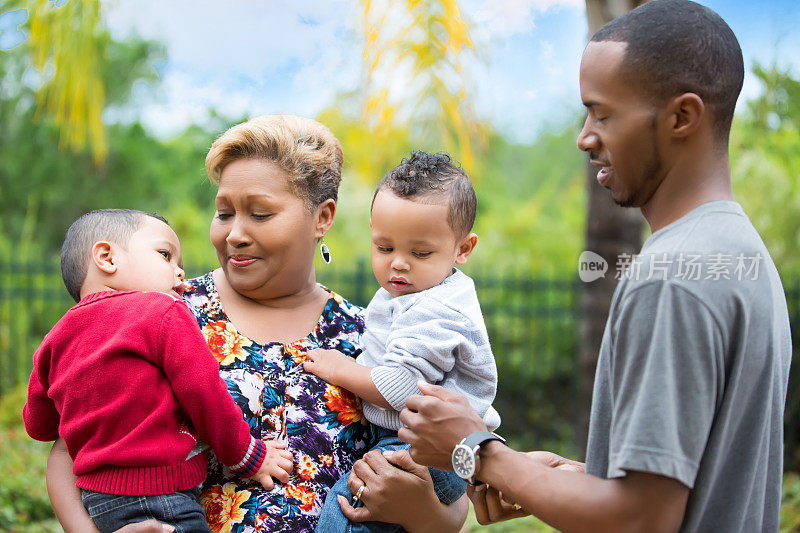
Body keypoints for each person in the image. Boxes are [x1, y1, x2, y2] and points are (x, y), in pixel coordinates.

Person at [396, 1, 792, 532]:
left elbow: (642, 519)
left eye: (603, 113)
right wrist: (570, 479)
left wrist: (479, 452)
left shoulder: (671, 278)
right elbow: (696, 485)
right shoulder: (740, 253)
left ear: (682, 117)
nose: (585, 136)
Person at [45, 115, 469, 533]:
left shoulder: (370, 336)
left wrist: (421, 511)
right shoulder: (157, 313)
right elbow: (70, 450)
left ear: (323, 217)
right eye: (224, 213)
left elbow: (449, 491)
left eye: (260, 215)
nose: (235, 234)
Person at [23, 209, 292, 533]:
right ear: (107, 257)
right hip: (162, 496)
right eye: (165, 255)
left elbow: (39, 426)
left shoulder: (55, 340)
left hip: (95, 503)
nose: (179, 272)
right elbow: (205, 394)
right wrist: (250, 456)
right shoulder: (163, 312)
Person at [305, 151, 500, 532]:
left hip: (430, 447)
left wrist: (341, 369)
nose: (398, 263)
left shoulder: (438, 307)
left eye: (420, 252)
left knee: (349, 504)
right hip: (413, 441)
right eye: (384, 247)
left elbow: (401, 388)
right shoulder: (409, 292)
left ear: (463, 249)